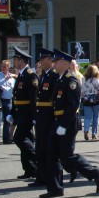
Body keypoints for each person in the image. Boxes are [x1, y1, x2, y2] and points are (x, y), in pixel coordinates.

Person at [40, 49, 99, 198]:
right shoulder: (59, 79)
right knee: (52, 155)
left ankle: (94, 172)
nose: (54, 64)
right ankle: (55, 188)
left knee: (68, 156)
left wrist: (63, 125)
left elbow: (72, 105)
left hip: (67, 123)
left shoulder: (71, 81)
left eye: (57, 62)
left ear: (65, 63)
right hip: (58, 121)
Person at [11, 47, 39, 180]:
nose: (14, 62)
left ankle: (36, 158)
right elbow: (15, 96)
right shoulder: (21, 75)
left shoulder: (30, 75)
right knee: (25, 139)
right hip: (20, 112)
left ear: (21, 60)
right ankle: (30, 169)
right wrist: (12, 112)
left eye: (16, 59)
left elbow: (33, 98)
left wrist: (34, 116)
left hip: (27, 113)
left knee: (19, 138)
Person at [33, 49, 59, 188]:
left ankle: (52, 179)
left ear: (50, 59)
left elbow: (55, 99)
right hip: (41, 116)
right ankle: (41, 177)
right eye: (40, 60)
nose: (41, 62)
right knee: (40, 149)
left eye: (43, 59)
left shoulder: (54, 76)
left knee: (49, 150)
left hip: (49, 117)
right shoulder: (43, 76)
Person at [0, 60, 16, 144]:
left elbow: (13, 88)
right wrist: (4, 80)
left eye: (5, 66)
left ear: (9, 67)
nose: (4, 68)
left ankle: (6, 138)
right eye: (2, 66)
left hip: (8, 99)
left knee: (8, 120)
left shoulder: (12, 77)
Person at [81, 64, 99, 141]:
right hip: (96, 99)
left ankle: (86, 130)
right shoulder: (98, 80)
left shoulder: (83, 79)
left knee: (87, 117)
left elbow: (81, 90)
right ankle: (94, 133)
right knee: (95, 117)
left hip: (86, 99)